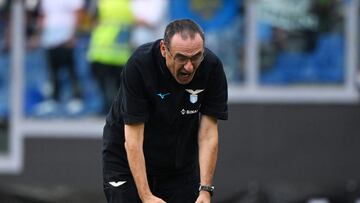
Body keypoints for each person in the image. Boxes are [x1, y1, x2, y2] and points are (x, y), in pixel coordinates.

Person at [102, 19, 228, 203]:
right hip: (126, 159)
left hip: (178, 163)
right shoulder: (140, 65)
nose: (189, 67)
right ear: (163, 49)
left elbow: (208, 133)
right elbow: (133, 140)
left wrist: (205, 190)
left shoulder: (212, 67)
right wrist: (146, 196)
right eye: (182, 58)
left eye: (196, 57)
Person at [35, 0, 84, 115]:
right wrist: (40, 34)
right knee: (52, 71)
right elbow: (44, 15)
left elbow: (79, 13)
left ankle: (76, 98)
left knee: (71, 69)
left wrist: (73, 35)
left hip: (66, 35)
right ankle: (54, 99)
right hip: (50, 36)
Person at [87, 0, 135, 114]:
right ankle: (118, 111)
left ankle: (105, 108)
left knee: (103, 86)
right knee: (119, 88)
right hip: (121, 54)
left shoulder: (102, 3)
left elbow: (90, 22)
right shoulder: (128, 4)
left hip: (101, 51)